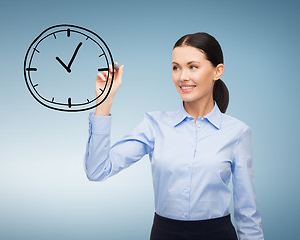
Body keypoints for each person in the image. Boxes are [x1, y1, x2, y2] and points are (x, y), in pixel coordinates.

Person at [84, 32, 264, 240]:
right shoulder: (154, 125)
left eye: (192, 67)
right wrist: (104, 102)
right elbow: (97, 170)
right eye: (176, 67)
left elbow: (247, 211)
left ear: (217, 71)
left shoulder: (237, 132)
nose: (182, 77)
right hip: (164, 234)